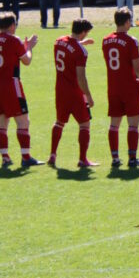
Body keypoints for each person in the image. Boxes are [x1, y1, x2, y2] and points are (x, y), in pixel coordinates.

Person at [102, 8, 139, 167]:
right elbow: (137, 66)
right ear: (127, 22)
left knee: (114, 124)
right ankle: (132, 158)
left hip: (113, 87)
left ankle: (115, 158)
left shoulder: (106, 40)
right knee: (133, 124)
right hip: (129, 87)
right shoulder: (131, 41)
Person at [48, 19, 96, 167]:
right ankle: (82, 159)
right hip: (75, 91)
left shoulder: (58, 41)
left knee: (59, 122)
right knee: (84, 124)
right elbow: (81, 77)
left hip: (60, 89)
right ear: (83, 32)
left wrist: (82, 43)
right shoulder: (81, 52)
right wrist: (88, 96)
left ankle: (52, 155)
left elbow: (70, 47)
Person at [0, 12, 40, 167]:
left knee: (2, 122)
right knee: (23, 121)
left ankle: (5, 158)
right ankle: (26, 157)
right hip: (12, 85)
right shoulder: (14, 40)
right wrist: (28, 47)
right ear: (12, 25)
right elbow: (27, 60)